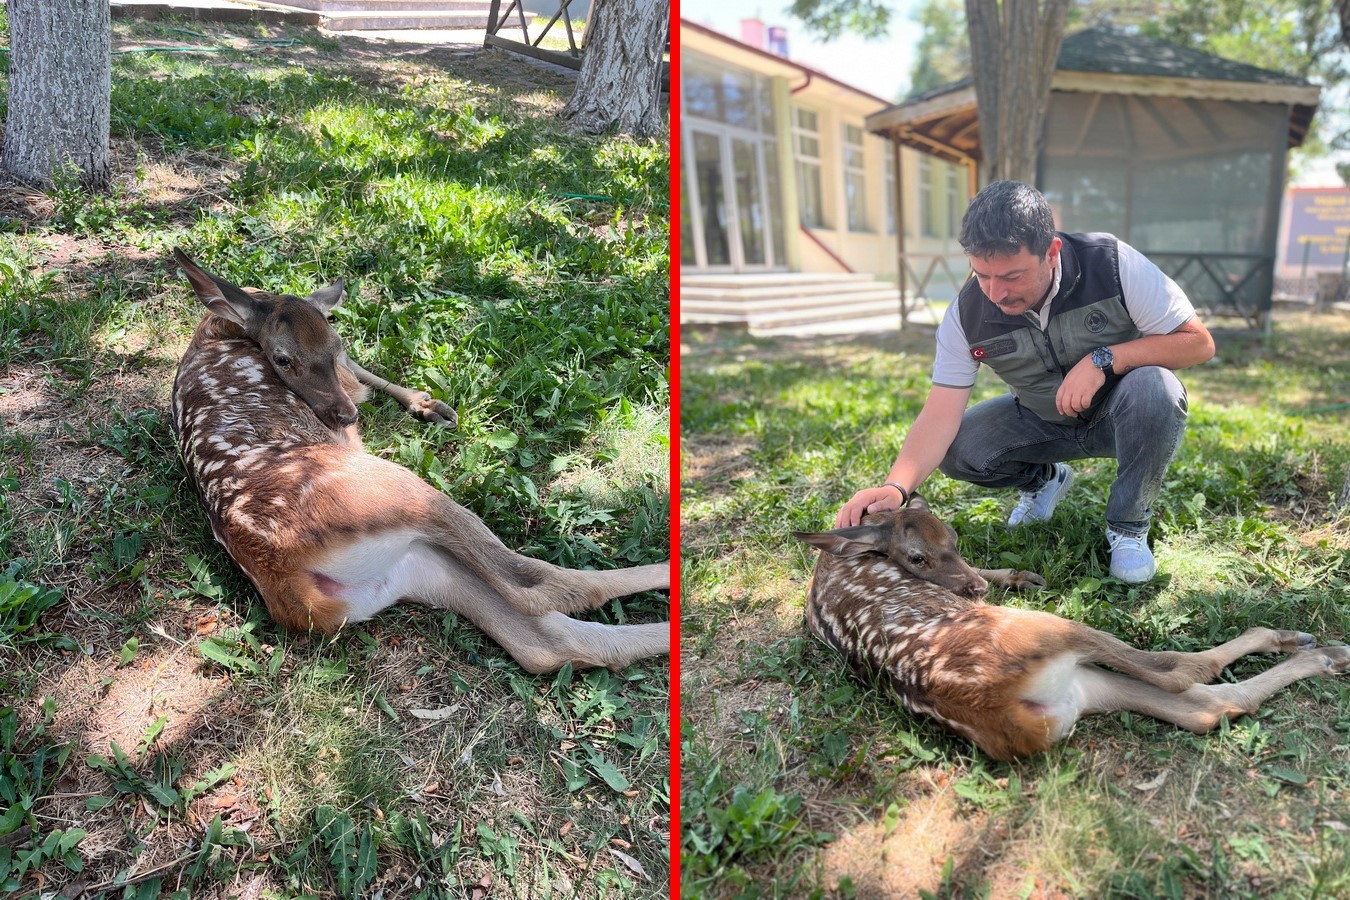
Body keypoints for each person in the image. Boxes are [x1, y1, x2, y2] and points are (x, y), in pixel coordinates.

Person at [836, 180, 1215, 583]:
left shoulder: (1112, 264)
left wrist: (1106, 358)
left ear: (1051, 252)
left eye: (1012, 276)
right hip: (1040, 420)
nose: (996, 293)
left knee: (1158, 387)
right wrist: (896, 487)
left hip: (1122, 416)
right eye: (982, 275)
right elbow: (939, 414)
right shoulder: (965, 314)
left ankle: (1127, 528)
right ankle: (1045, 480)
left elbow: (1198, 344)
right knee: (959, 449)